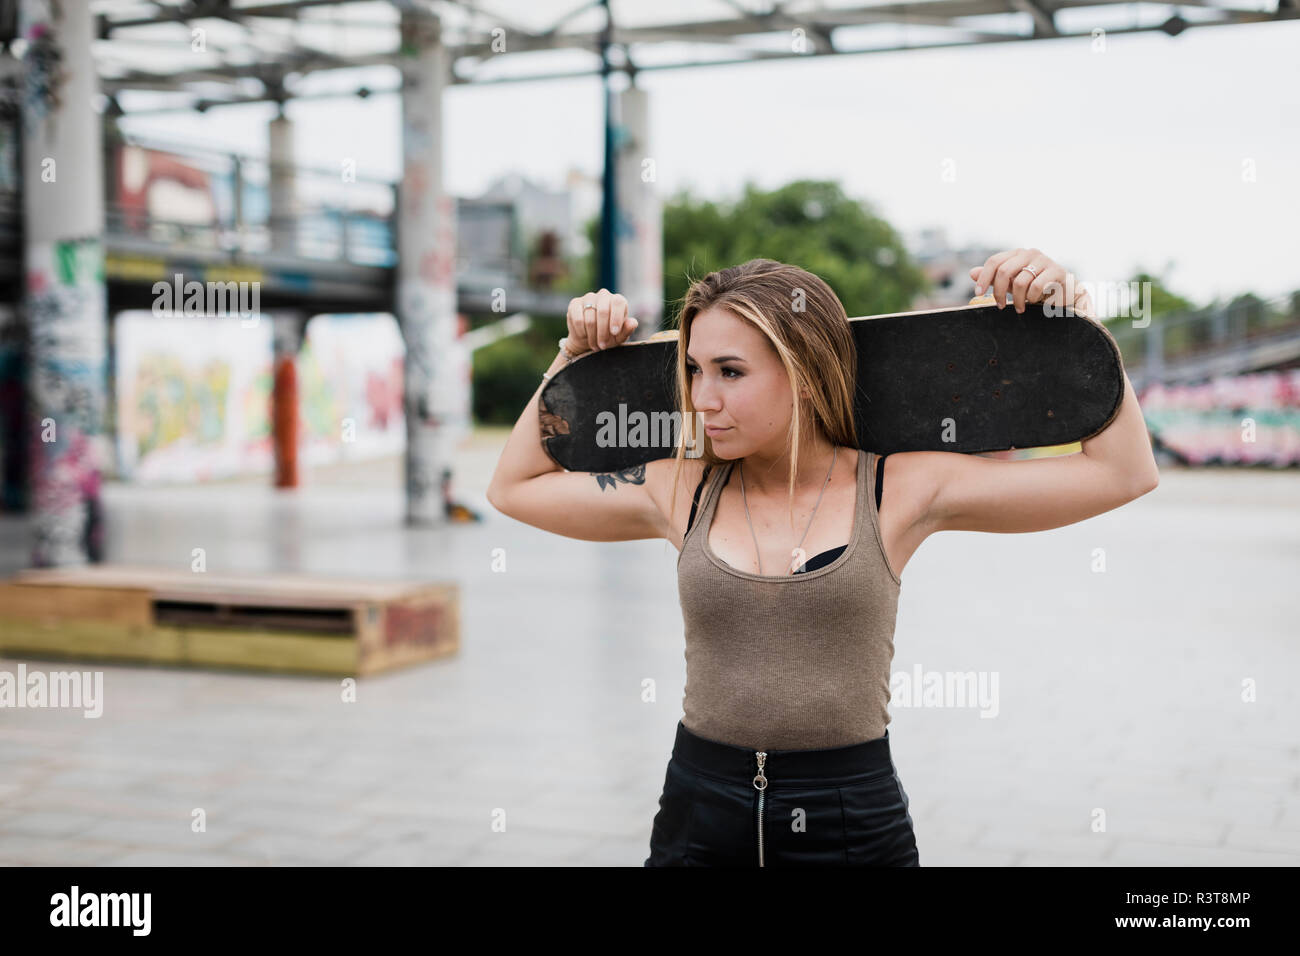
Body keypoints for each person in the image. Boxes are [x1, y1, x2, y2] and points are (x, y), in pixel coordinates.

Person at [486, 249, 1160, 866]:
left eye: (730, 372)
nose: (703, 398)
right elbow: (513, 487)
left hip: (849, 817)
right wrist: (569, 358)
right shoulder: (679, 485)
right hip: (700, 812)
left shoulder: (900, 487)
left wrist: (1078, 330)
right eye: (693, 369)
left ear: (804, 376)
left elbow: (1122, 473)